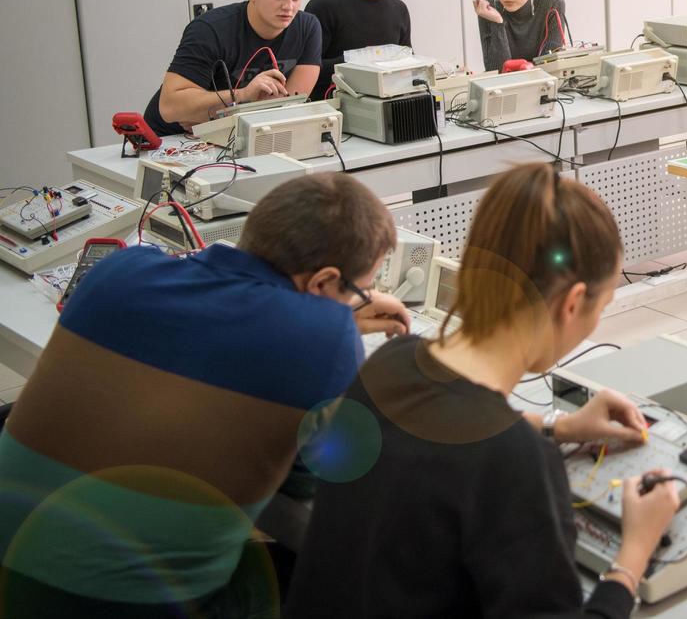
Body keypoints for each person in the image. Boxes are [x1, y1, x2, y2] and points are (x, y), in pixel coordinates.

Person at [0, 173, 411, 617]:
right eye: (360, 290)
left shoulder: (117, 270)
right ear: (324, 282)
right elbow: (310, 481)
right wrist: (336, 335)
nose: (364, 299)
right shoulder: (326, 340)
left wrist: (333, 318)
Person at [284, 163, 680, 618]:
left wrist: (560, 425)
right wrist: (632, 557)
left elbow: (438, 436)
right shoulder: (516, 462)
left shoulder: (392, 364)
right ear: (572, 303)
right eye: (601, 304)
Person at [142, 0, 322, 137]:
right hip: (170, 138)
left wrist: (217, 115)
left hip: (237, 132)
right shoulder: (209, 29)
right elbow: (170, 107)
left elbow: (288, 108)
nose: (289, 7)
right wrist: (244, 96)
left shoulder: (308, 28)